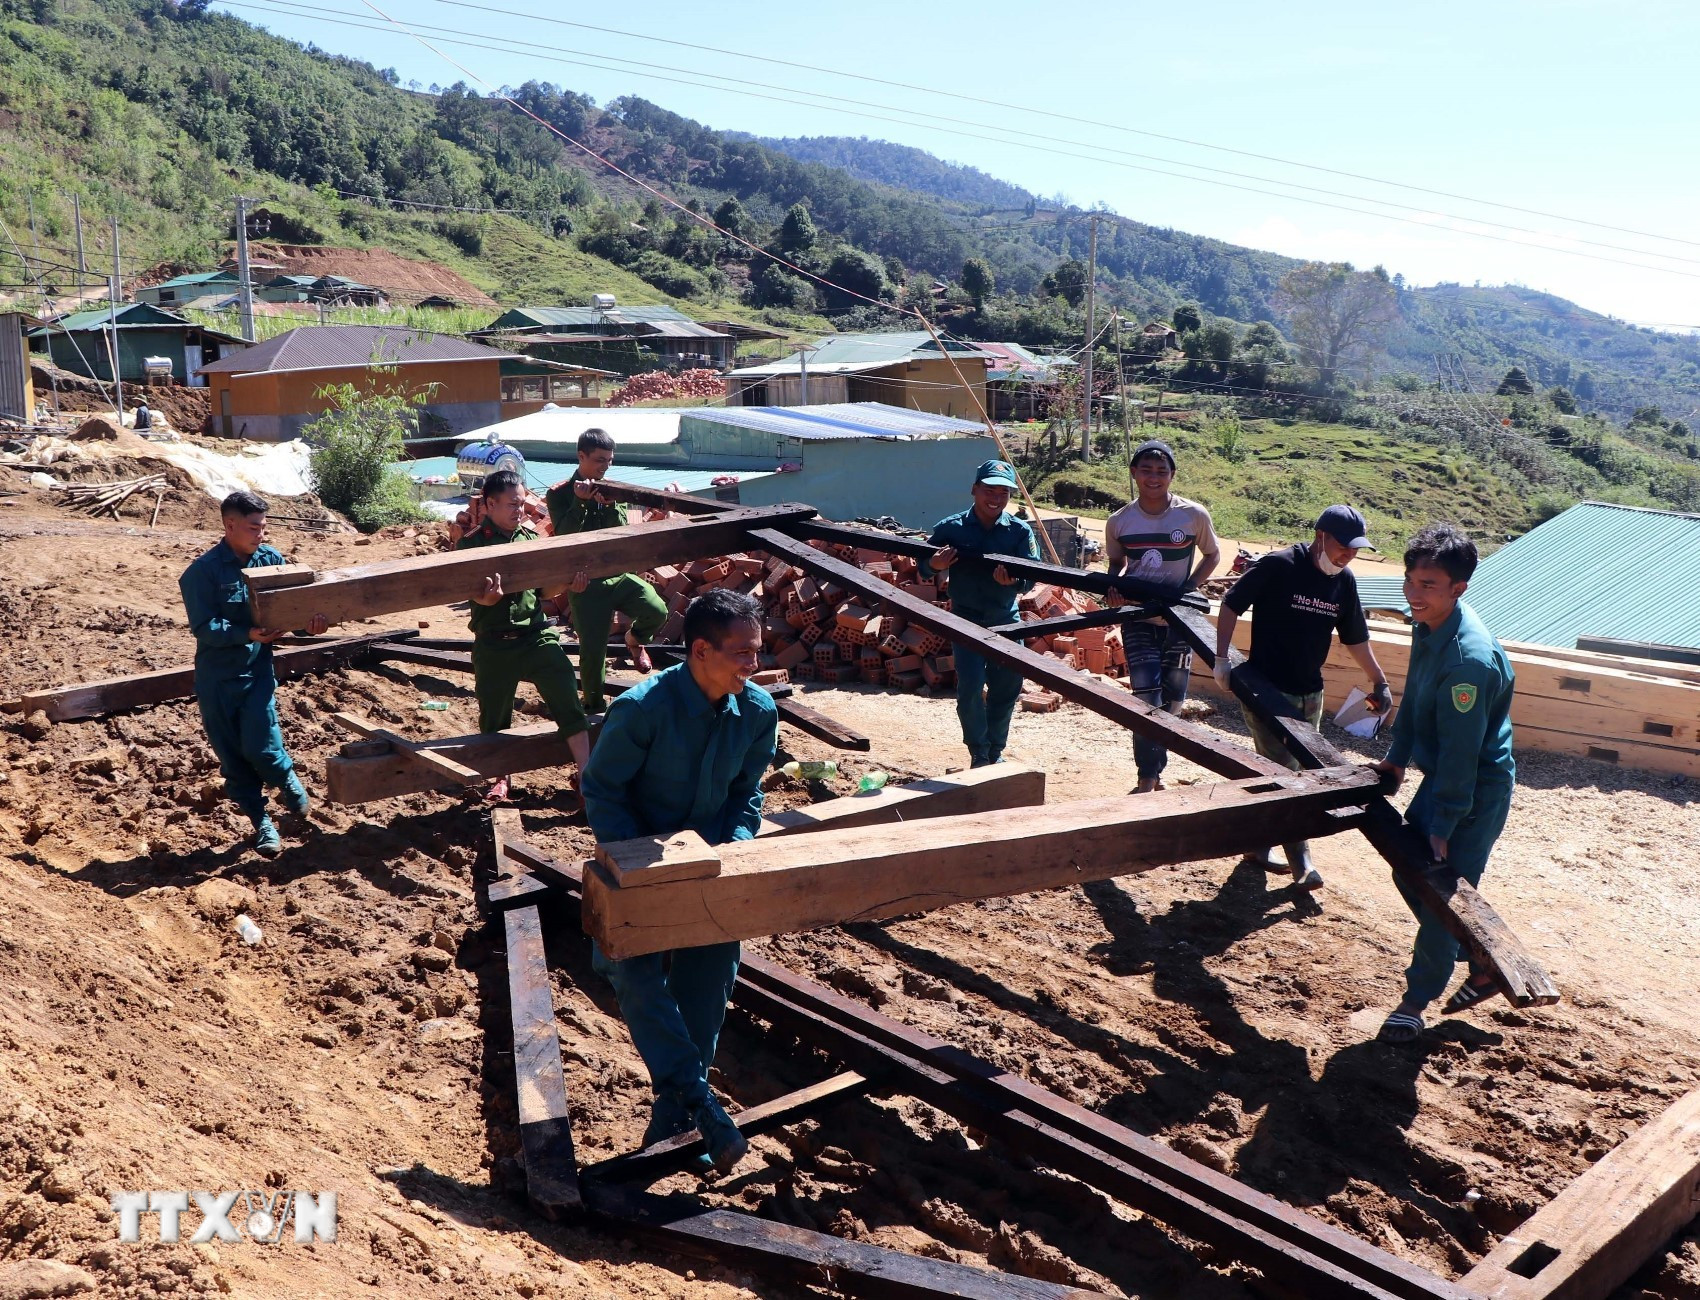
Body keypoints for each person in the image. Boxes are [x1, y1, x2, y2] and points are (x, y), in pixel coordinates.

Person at [583, 589, 778, 1174]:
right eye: (742, 653)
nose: (754, 664)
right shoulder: (642, 710)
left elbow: (747, 795)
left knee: (709, 981)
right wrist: (640, 867)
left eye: (757, 651)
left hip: (710, 871)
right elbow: (602, 790)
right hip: (639, 868)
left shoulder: (758, 712)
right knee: (632, 972)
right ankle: (698, 1100)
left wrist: (734, 846)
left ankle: (677, 1117)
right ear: (700, 651)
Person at [1371, 524, 1515, 1044]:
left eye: (1428, 584)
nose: (1414, 593)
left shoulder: (1467, 661)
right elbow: (1414, 697)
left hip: (1473, 789)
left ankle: (1415, 1002)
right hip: (1446, 778)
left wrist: (1445, 821)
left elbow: (1462, 752)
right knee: (1409, 871)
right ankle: (1480, 958)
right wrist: (1397, 759)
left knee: (1443, 893)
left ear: (1459, 588)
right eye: (1410, 580)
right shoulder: (1430, 624)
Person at [1215, 504, 1394, 891]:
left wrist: (1379, 680)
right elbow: (1231, 604)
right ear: (1320, 536)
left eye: (1355, 549)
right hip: (1266, 689)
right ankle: (1302, 863)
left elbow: (1355, 638)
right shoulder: (1280, 565)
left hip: (1310, 692)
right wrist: (1221, 658)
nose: (1348, 555)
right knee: (1288, 776)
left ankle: (1256, 846)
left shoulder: (1344, 582)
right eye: (1343, 547)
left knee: (1286, 772)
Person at [178, 490, 326, 858]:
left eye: (263, 526)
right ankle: (262, 823)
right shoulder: (201, 573)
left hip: (256, 671)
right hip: (217, 679)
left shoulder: (271, 561)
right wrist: (247, 633)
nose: (261, 534)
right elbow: (204, 627)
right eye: (253, 527)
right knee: (233, 758)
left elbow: (291, 610)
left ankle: (286, 780)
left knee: (263, 745)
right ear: (230, 525)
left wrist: (310, 625)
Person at [455, 469, 590, 801]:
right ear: (490, 504)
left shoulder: (529, 540)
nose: (519, 510)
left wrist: (567, 584)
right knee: (494, 717)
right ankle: (501, 778)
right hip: (494, 643)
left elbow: (544, 591)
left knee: (567, 698)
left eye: (522, 503)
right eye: (512, 504)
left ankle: (588, 776)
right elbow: (473, 596)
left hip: (534, 637)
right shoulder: (472, 544)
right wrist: (487, 600)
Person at [1103, 439, 1220, 792]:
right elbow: (1116, 563)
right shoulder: (1119, 521)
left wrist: (1189, 587)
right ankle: (1147, 777)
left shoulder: (1193, 515)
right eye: (1146, 470)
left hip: (1180, 623)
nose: (1153, 477)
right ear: (1133, 473)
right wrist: (1112, 587)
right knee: (1146, 700)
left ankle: (1156, 771)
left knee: (1173, 704)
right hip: (1138, 619)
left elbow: (1212, 555)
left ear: (1172, 475)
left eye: (1161, 471)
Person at [544, 428, 667, 713]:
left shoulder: (612, 490)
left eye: (610, 460)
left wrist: (610, 506)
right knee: (592, 654)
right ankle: (594, 708)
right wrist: (581, 502)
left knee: (657, 610)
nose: (606, 466)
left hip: (617, 575)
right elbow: (564, 536)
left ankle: (635, 641)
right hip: (585, 583)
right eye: (600, 460)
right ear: (581, 456)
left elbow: (622, 532)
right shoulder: (559, 494)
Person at [927, 460, 1039, 768]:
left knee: (1007, 687)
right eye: (989, 490)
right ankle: (978, 751)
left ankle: (995, 751)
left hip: (1006, 620)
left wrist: (1015, 582)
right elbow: (924, 561)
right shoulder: (951, 527)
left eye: (1003, 492)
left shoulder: (1019, 531)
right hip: (965, 620)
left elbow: (1032, 573)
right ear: (974, 489)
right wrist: (935, 564)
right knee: (971, 687)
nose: (996, 498)